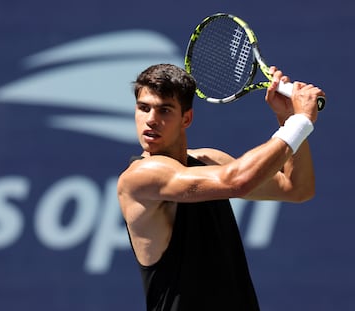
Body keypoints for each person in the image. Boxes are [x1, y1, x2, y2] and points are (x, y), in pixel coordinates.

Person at [117, 63, 325, 310]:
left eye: (164, 110)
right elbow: (236, 181)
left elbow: (297, 188)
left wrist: (287, 117)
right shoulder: (140, 177)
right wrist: (300, 121)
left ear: (186, 118)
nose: (151, 119)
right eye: (143, 108)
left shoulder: (209, 160)